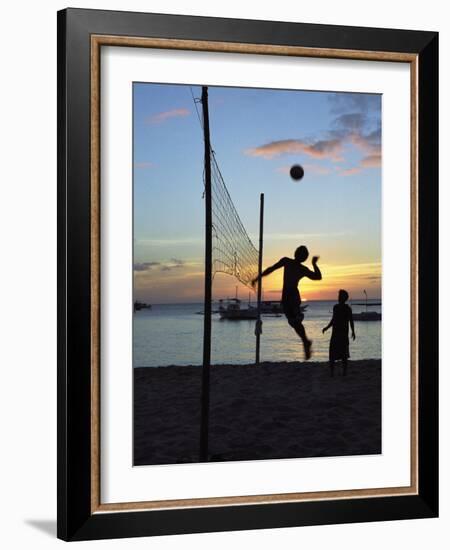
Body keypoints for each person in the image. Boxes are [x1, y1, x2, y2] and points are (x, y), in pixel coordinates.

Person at [252, 245, 321, 360]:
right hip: (286, 297)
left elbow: (318, 277)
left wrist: (314, 264)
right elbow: (271, 268)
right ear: (297, 254)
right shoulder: (287, 261)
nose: (299, 255)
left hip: (293, 295)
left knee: (295, 321)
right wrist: (258, 277)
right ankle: (305, 340)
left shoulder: (300, 267)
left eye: (302, 254)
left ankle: (304, 338)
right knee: (293, 323)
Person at [322, 289, 356, 376]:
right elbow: (333, 320)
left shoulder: (347, 309)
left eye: (340, 296)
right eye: (338, 296)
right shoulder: (336, 307)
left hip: (343, 334)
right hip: (336, 334)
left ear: (343, 298)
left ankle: (344, 372)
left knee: (344, 355)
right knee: (332, 354)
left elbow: (351, 321)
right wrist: (327, 327)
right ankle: (332, 372)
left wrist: (353, 331)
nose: (338, 298)